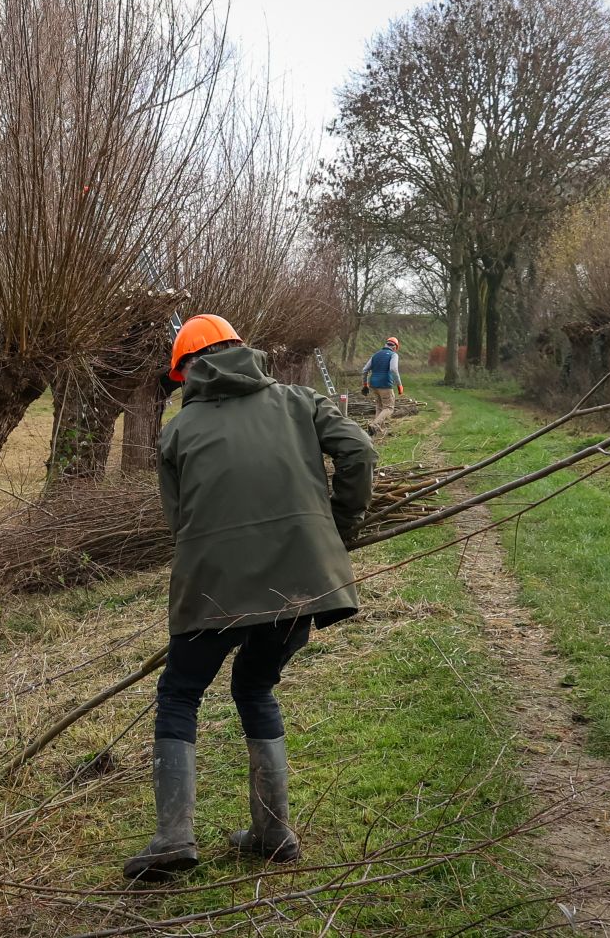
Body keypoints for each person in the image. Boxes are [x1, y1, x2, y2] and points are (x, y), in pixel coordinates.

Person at [123, 314, 377, 881]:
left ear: (189, 368)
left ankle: (173, 838)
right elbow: (358, 452)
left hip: (212, 586)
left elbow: (180, 522)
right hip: (303, 584)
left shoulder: (178, 432)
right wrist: (338, 527)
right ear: (243, 350)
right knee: (255, 684)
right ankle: (273, 831)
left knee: (181, 693)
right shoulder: (300, 401)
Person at [363, 336, 403, 430]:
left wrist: (365, 384)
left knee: (380, 407)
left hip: (373, 385)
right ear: (395, 347)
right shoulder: (393, 355)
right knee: (389, 408)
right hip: (385, 385)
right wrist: (399, 384)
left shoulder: (375, 355)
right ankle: (374, 425)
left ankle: (377, 429)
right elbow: (393, 369)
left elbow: (364, 370)